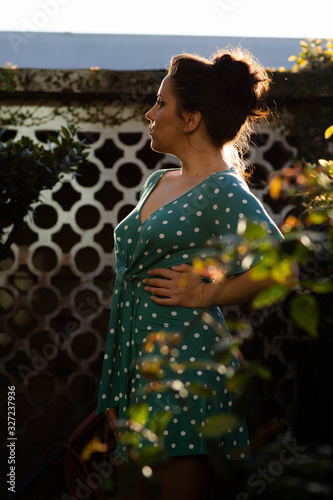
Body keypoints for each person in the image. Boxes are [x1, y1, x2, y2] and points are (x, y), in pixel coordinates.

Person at [97, 47, 283, 499]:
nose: (150, 112)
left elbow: (284, 270)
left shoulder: (222, 189)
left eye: (161, 103)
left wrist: (206, 296)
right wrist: (117, 384)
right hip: (136, 368)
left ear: (191, 119)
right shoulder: (157, 181)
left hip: (185, 371)